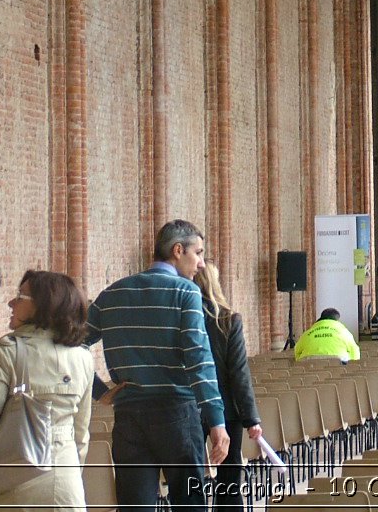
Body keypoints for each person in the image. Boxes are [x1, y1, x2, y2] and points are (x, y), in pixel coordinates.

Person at [87, 219, 228, 510]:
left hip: (129, 417)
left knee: (134, 506)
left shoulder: (110, 294)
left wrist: (99, 391)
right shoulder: (184, 292)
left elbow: (70, 344)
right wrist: (216, 421)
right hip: (176, 413)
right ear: (178, 250)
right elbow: (198, 359)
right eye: (198, 253)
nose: (201, 263)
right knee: (190, 503)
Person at [0, 270, 94, 510]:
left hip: (9, 483)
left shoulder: (7, 351)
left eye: (19, 297)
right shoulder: (83, 358)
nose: (11, 303)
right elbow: (81, 434)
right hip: (65, 486)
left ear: (43, 306)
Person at [194, 262, 262, 510]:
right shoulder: (228, 320)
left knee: (189, 479)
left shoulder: (182, 317)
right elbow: (239, 373)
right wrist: (251, 417)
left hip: (188, 405)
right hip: (225, 409)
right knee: (229, 479)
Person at [294, 308, 360, 363]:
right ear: (337, 320)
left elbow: (297, 351)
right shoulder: (344, 332)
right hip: (338, 361)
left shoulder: (307, 333)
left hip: (309, 362)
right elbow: (355, 351)